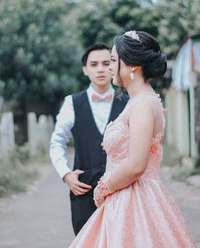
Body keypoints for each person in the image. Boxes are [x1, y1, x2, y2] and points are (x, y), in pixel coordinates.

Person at [69, 31, 197, 247]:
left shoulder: (143, 105)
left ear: (132, 66)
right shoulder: (139, 101)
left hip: (133, 198)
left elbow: (137, 165)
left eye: (113, 60)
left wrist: (103, 188)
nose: (109, 68)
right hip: (126, 196)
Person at [49, 42, 128, 235]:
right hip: (83, 190)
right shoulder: (72, 103)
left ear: (113, 66)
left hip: (120, 188)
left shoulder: (129, 102)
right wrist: (66, 174)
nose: (100, 69)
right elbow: (57, 142)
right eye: (94, 64)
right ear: (85, 70)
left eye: (105, 63)